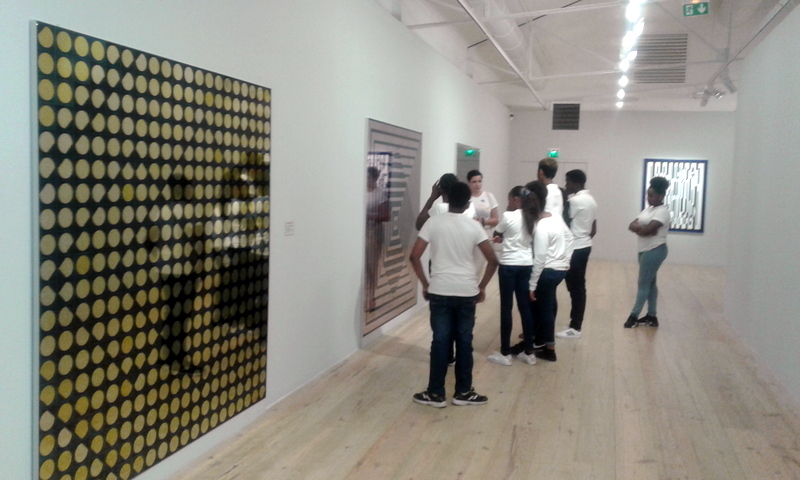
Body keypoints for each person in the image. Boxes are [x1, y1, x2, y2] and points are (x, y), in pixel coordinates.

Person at [409, 182, 498, 407]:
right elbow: (492, 260)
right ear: (468, 203)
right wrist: (482, 287)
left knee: (440, 341)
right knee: (464, 341)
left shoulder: (434, 222)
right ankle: (463, 392)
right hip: (467, 292)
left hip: (439, 290)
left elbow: (414, 256)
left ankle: (435, 393)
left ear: (447, 199)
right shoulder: (474, 227)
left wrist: (425, 284)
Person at [487, 186, 536, 366]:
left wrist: (501, 237)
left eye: (509, 200)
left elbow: (497, 233)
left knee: (506, 308)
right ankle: (529, 352)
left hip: (509, 266)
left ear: (516, 199)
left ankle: (505, 353)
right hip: (526, 265)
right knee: (525, 308)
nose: (508, 203)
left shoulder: (509, 216)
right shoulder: (533, 217)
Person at [526, 181, 573, 362]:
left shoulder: (541, 227)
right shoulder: (555, 217)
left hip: (547, 271)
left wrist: (532, 286)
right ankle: (540, 341)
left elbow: (539, 259)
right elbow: (570, 238)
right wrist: (566, 259)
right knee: (548, 304)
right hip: (560, 270)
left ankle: (549, 349)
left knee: (545, 309)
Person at [556, 170, 598, 339]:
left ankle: (575, 327)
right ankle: (575, 325)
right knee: (578, 287)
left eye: (568, 182)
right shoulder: (592, 201)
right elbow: (593, 229)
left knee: (576, 288)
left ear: (576, 183)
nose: (566, 185)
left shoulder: (574, 201)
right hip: (585, 246)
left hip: (574, 248)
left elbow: (562, 224)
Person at [624, 176, 670, 328]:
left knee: (643, 283)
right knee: (650, 283)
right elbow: (631, 225)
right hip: (644, 250)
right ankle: (651, 316)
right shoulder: (648, 210)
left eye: (651, 195)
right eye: (647, 195)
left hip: (655, 250)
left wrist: (643, 229)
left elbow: (647, 230)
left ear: (661, 196)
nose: (648, 198)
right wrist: (642, 229)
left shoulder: (662, 212)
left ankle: (633, 316)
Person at [365, 167, 390, 312]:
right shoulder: (360, 192)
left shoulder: (380, 194)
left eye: (368, 177)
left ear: (374, 178)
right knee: (361, 266)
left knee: (371, 266)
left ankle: (370, 297)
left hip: (373, 233)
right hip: (359, 233)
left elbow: (386, 216)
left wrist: (368, 216)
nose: (366, 180)